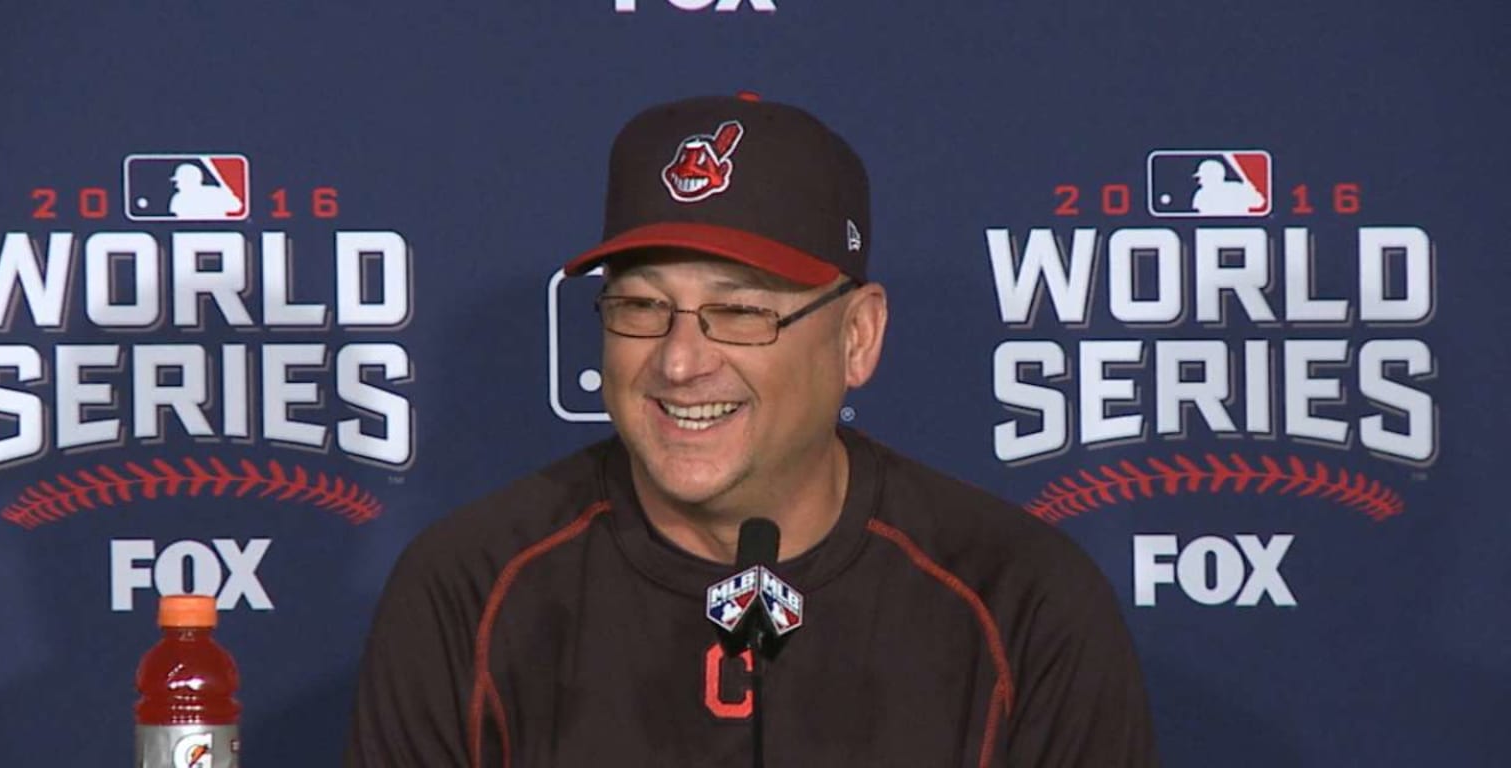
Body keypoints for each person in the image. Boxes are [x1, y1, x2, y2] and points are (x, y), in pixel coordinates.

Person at [345, 92, 1158, 767]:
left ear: (857, 338)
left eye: (740, 311)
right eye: (640, 306)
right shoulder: (468, 588)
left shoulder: (1020, 599)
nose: (679, 361)